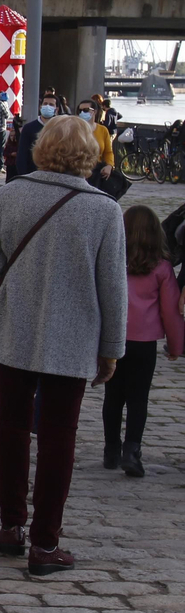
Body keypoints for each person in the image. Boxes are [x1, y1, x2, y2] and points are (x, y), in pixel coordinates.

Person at [0, 116, 125, 575]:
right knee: (59, 436)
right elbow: (112, 289)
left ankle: (10, 527)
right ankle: (45, 543)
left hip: (15, 325)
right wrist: (112, 348)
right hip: (74, 334)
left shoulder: (11, 193)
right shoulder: (103, 210)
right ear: (89, 155)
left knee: (12, 428)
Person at [105, 205, 180, 478]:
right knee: (138, 399)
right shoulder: (161, 268)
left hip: (114, 338)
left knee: (112, 397)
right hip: (145, 342)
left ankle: (110, 449)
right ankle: (132, 449)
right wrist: (176, 344)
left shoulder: (113, 262)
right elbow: (170, 311)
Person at [15, 88, 62, 177]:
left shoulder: (60, 128)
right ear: (40, 106)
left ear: (57, 109)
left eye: (51, 104)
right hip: (32, 174)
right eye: (45, 104)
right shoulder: (29, 128)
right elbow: (22, 153)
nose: (47, 106)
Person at [76, 98, 117, 183]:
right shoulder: (74, 129)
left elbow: (108, 152)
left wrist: (109, 166)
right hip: (78, 170)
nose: (82, 113)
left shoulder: (103, 130)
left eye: (86, 110)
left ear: (94, 112)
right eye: (80, 111)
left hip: (97, 172)